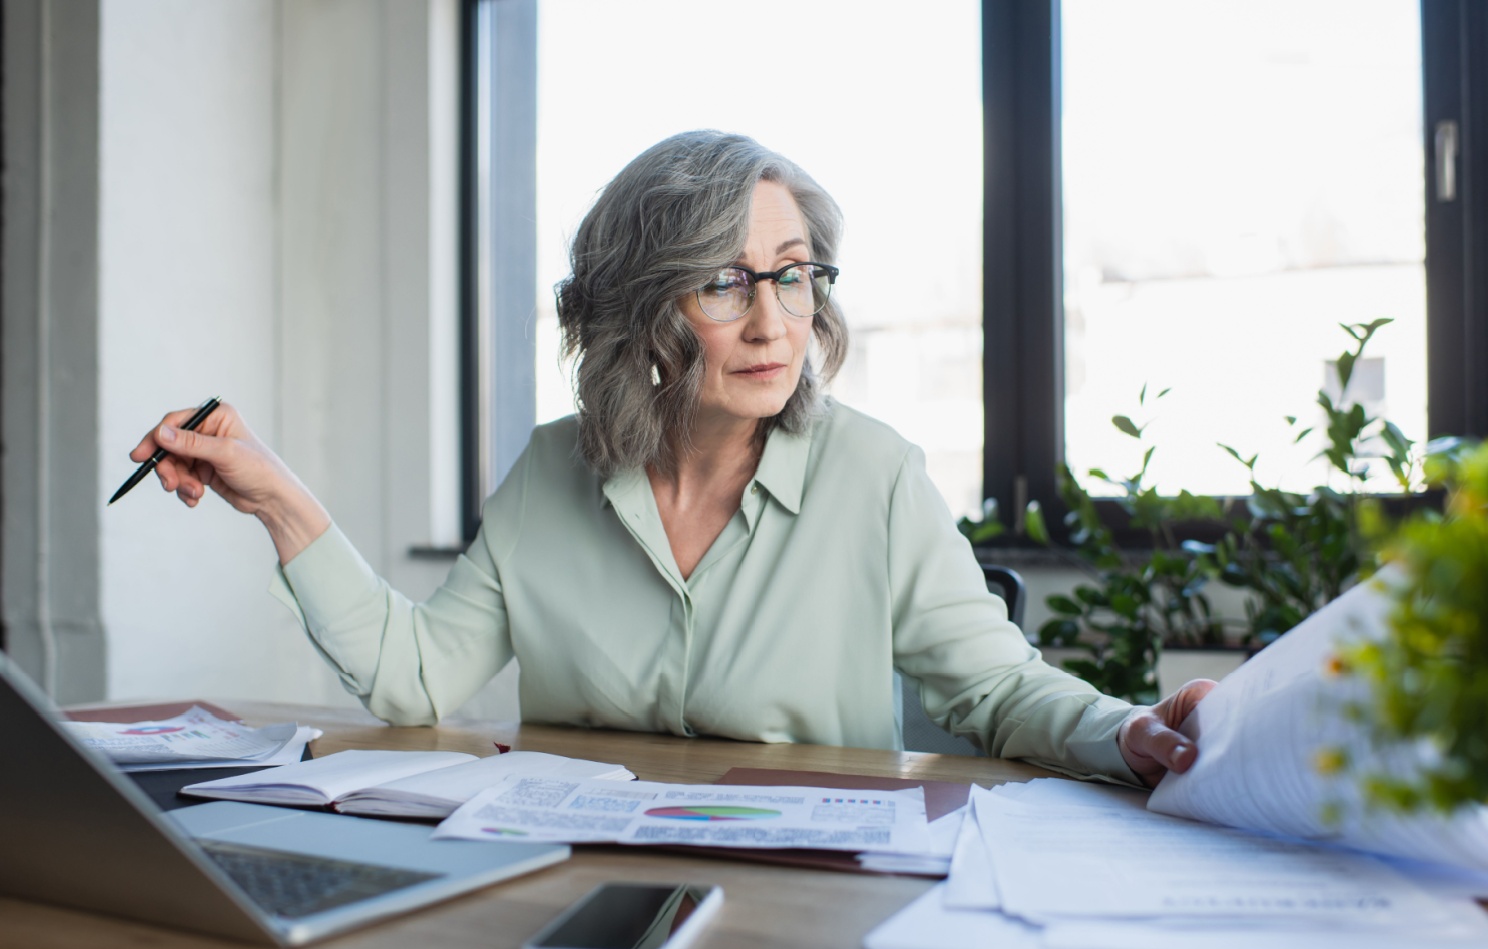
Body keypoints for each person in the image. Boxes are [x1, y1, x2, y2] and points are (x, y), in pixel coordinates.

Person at [131, 130, 1209, 787]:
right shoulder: (553, 472)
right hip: (578, 877)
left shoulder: (875, 475)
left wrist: (1130, 732)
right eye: (724, 283)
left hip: (806, 894)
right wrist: (275, 496)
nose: (773, 323)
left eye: (791, 275)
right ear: (642, 313)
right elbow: (419, 681)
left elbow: (999, 692)